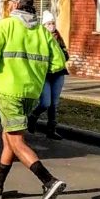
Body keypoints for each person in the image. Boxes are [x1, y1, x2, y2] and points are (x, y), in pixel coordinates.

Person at [0, 0, 69, 199]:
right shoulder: (43, 33)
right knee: (8, 136)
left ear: (14, 6)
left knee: (16, 141)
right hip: (31, 93)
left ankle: (49, 181)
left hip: (8, 91)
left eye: (8, 2)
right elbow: (58, 63)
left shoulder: (3, 27)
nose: (7, 6)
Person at [28, 10, 70, 140]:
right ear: (43, 25)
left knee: (54, 104)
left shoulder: (58, 37)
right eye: (48, 24)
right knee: (45, 102)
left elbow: (65, 55)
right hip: (44, 74)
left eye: (53, 23)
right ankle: (33, 117)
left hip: (58, 73)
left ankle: (51, 130)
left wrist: (61, 54)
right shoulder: (40, 38)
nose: (51, 26)